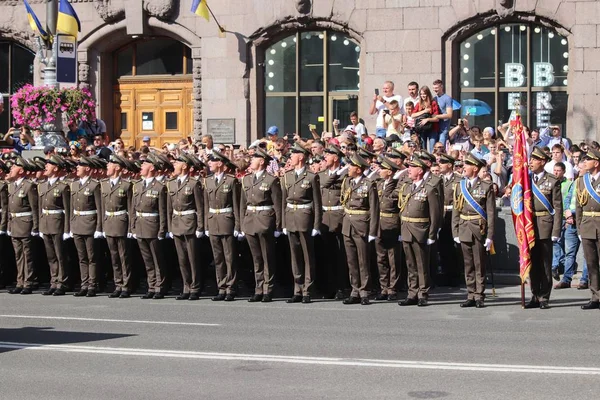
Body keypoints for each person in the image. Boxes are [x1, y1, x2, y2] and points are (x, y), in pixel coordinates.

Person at [281, 143, 323, 304]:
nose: (290, 157)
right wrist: (284, 223)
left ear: (301, 157)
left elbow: (317, 203)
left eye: (293, 154)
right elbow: (284, 201)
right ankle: (297, 289)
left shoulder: (311, 177)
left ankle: (307, 289)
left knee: (307, 256)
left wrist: (316, 225)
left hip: (305, 217)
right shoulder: (287, 176)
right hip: (291, 217)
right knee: (294, 256)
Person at [239, 147, 282, 303]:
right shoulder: (246, 179)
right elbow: (242, 204)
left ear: (262, 161)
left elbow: (277, 204)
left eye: (254, 158)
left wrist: (278, 225)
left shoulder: (271, 180)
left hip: (265, 219)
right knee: (256, 258)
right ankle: (258, 288)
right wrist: (242, 224)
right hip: (250, 220)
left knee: (267, 256)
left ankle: (268, 289)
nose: (251, 160)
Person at [452, 154, 495, 308]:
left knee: (479, 263)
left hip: (478, 228)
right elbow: (456, 210)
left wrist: (490, 235)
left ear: (475, 169)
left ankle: (479, 295)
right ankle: (470, 293)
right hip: (464, 227)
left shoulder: (486, 186)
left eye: (467, 165)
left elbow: (490, 213)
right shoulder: (459, 186)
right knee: (468, 264)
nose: (463, 168)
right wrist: (455, 231)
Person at [397, 157, 441, 307]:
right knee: (410, 264)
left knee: (422, 264)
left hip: (421, 230)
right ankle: (412, 292)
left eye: (412, 167)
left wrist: (432, 234)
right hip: (407, 229)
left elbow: (435, 214)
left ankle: (423, 293)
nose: (408, 169)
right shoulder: (406, 187)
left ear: (420, 170)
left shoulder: (429, 189)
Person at [524, 146, 563, 309]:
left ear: (542, 161)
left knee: (545, 262)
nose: (530, 162)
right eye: (530, 159)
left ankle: (544, 296)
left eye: (534, 159)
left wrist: (556, 231)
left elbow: (558, 207)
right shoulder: (525, 179)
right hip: (529, 225)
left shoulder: (552, 180)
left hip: (545, 224)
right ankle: (534, 294)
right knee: (533, 262)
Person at [339, 153, 378, 305]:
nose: (348, 168)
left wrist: (373, 231)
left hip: (362, 225)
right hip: (348, 224)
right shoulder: (347, 182)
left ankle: (364, 291)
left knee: (363, 260)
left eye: (351, 166)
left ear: (359, 169)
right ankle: (354, 290)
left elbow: (374, 209)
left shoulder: (369, 184)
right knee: (351, 261)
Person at [203, 150, 241, 301]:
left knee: (229, 256)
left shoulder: (231, 181)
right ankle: (221, 287)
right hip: (213, 220)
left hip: (227, 219)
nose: (209, 163)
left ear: (220, 163)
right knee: (218, 257)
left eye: (212, 161)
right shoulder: (208, 181)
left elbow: (237, 205)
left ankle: (231, 287)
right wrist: (206, 224)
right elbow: (206, 205)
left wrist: (238, 226)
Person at [166, 153, 204, 301]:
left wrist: (200, 227)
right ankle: (186, 286)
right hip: (176, 222)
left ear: (185, 166)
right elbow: (169, 208)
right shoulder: (172, 183)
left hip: (189, 223)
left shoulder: (193, 183)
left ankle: (195, 287)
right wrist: (169, 226)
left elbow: (200, 207)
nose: (174, 166)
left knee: (193, 258)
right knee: (182, 259)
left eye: (177, 163)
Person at [132, 153, 168, 299]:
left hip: (153, 226)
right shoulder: (138, 186)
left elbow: (163, 211)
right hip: (140, 225)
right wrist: (133, 227)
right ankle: (151, 285)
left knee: (157, 259)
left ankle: (160, 286)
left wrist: (162, 230)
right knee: (147, 260)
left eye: (145, 164)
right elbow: (133, 208)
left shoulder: (159, 187)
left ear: (152, 167)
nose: (141, 166)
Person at [101, 154, 134, 298]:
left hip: (121, 221)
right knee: (114, 256)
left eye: (110, 164)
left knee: (124, 256)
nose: (107, 167)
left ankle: (126, 285)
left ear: (117, 167)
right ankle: (118, 283)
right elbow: (102, 207)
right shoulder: (104, 184)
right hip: (109, 221)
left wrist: (131, 227)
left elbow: (131, 208)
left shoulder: (126, 185)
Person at [318, 144, 349, 299]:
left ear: (336, 158)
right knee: (327, 255)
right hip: (325, 217)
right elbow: (322, 187)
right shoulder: (323, 174)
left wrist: (340, 173)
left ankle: (342, 287)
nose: (325, 158)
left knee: (341, 256)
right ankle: (329, 287)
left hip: (339, 217)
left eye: (328, 155)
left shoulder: (345, 176)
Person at [38, 154, 71, 296]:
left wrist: (67, 229)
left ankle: (62, 282)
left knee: (60, 254)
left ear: (56, 168)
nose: (46, 166)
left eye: (49, 164)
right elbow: (40, 207)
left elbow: (67, 209)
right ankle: (54, 281)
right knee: (50, 255)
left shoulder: (63, 187)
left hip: (58, 222)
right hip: (45, 222)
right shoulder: (42, 185)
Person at [70, 156, 103, 297]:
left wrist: (99, 228)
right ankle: (84, 284)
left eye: (81, 165)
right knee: (81, 256)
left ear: (87, 168)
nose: (77, 167)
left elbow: (100, 208)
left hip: (90, 223)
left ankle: (92, 285)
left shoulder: (94, 185)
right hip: (77, 223)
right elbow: (72, 207)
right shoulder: (74, 184)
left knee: (91, 257)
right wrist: (71, 224)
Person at [6, 157, 39, 294]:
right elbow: (9, 208)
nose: (11, 169)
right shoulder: (11, 185)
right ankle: (20, 281)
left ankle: (28, 282)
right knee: (18, 255)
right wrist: (8, 224)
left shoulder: (28, 185)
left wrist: (35, 227)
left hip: (25, 223)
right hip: (14, 223)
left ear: (21, 170)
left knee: (27, 255)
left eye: (14, 167)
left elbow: (34, 208)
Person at [576, 148, 600, 309]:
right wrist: (579, 228)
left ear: (596, 163)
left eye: (588, 160)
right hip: (586, 226)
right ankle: (595, 296)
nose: (585, 162)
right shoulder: (581, 181)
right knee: (591, 264)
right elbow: (578, 206)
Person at [374, 155, 400, 301]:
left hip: (392, 224)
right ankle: (383, 287)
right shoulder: (378, 184)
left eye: (383, 168)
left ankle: (393, 288)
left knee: (393, 259)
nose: (380, 171)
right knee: (381, 258)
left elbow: (395, 203)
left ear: (390, 172)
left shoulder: (397, 185)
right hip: (379, 224)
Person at [412, 86, 440, 153]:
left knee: (432, 149)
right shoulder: (419, 104)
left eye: (424, 94)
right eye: (421, 94)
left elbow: (437, 118)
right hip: (422, 129)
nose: (422, 96)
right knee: (423, 149)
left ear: (428, 94)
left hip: (432, 129)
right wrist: (424, 111)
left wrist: (427, 119)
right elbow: (413, 115)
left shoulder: (433, 103)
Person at [432, 79, 453, 146]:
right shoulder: (434, 98)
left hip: (443, 128)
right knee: (433, 147)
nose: (435, 90)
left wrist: (437, 116)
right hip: (434, 127)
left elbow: (449, 115)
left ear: (441, 87)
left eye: (437, 88)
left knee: (441, 147)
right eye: (434, 88)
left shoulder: (447, 98)